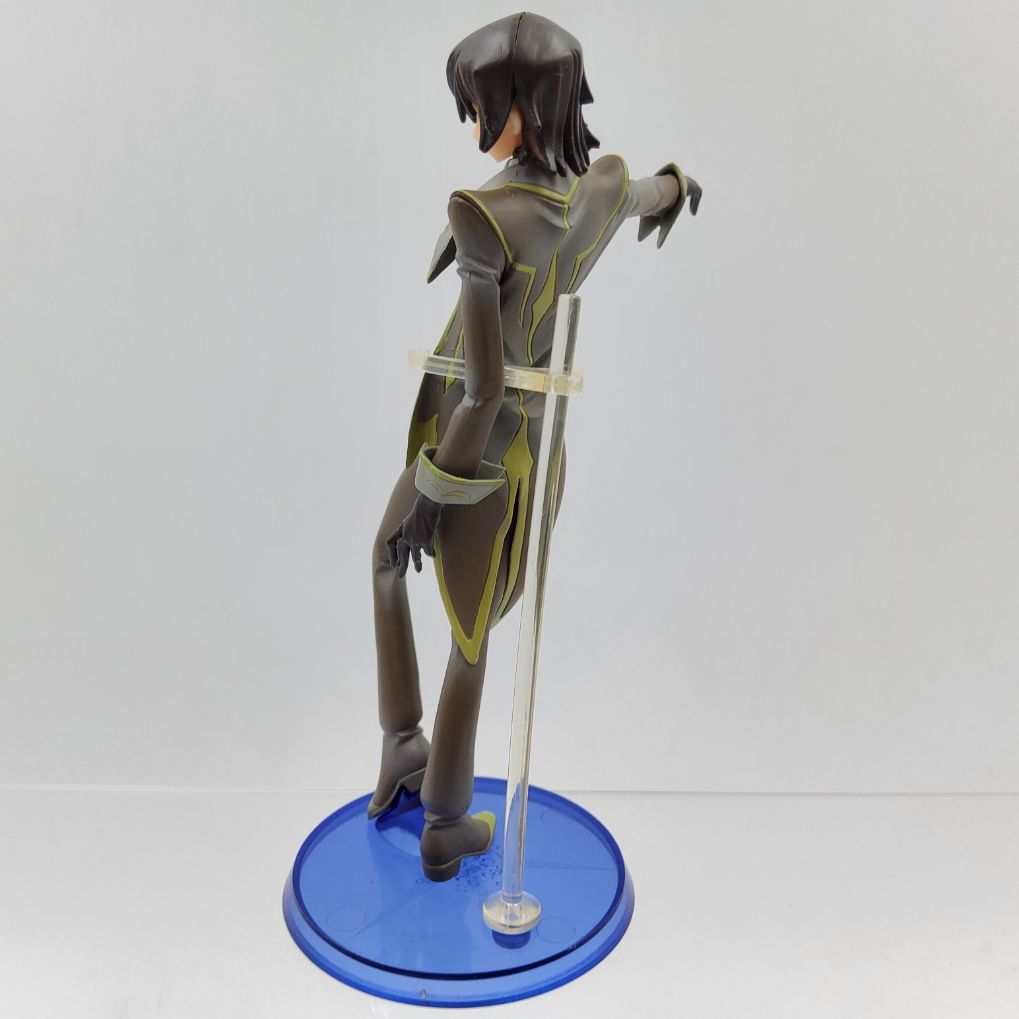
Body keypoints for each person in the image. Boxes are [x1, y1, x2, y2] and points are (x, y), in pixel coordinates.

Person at [368, 11, 702, 882]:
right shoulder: (597, 192)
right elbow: (646, 192)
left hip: (473, 449)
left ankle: (445, 820)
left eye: (483, 110)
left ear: (528, 103)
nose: (474, 129)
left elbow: (482, 386)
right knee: (408, 578)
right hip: (528, 454)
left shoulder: (483, 216)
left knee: (463, 631)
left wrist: (435, 490)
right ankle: (404, 743)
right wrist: (679, 186)